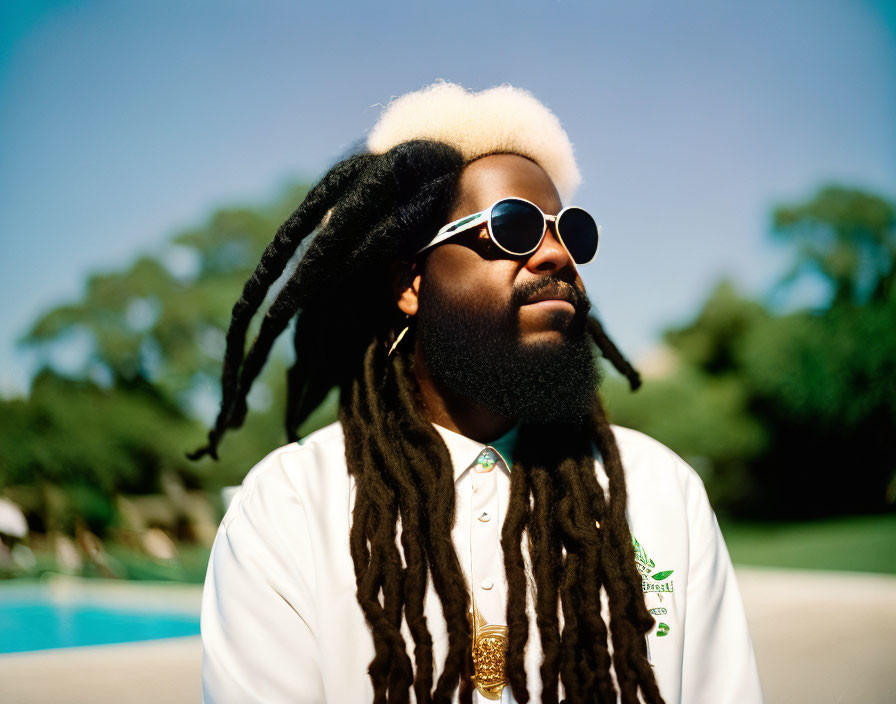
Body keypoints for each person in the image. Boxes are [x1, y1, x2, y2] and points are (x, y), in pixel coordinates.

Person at [191, 81, 763, 704]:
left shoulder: (663, 493)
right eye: (513, 226)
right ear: (412, 282)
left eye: (571, 231)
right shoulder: (289, 509)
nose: (556, 255)